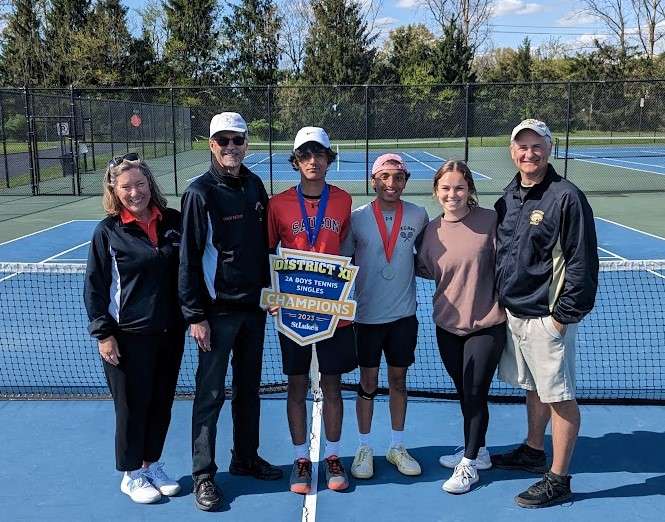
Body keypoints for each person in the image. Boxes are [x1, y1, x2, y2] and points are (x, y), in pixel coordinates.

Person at [492, 119, 599, 508]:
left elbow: (582, 262)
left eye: (537, 146)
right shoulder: (509, 196)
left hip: (546, 318)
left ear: (549, 150)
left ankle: (559, 478)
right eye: (522, 147)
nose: (529, 153)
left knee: (560, 396)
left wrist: (561, 318)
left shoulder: (566, 197)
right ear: (512, 152)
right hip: (515, 315)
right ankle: (534, 449)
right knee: (534, 387)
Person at [179, 112, 282, 512]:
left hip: (253, 309)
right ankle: (204, 475)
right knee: (209, 395)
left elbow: (265, 248)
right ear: (211, 145)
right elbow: (188, 259)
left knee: (248, 389)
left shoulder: (255, 186)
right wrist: (195, 315)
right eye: (222, 141)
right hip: (216, 314)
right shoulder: (198, 194)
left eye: (236, 140)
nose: (230, 148)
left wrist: (271, 293)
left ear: (246, 143)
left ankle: (245, 456)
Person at [84, 153, 184, 504]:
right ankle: (131, 474)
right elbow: (95, 288)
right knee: (131, 406)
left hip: (170, 334)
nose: (135, 192)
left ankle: (152, 464)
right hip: (126, 338)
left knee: (161, 404)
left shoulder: (173, 221)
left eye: (140, 184)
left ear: (150, 185)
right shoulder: (108, 232)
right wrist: (104, 333)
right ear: (114, 189)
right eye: (126, 186)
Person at [267, 126, 357, 494]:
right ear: (296, 161)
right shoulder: (278, 204)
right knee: (297, 384)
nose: (313, 161)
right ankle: (300, 459)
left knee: (333, 384)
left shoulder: (345, 201)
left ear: (328, 159)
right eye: (305, 155)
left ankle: (333, 456)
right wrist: (273, 298)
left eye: (319, 154)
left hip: (334, 310)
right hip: (293, 310)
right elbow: (267, 254)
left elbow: (348, 250)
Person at [416, 160, 506, 494]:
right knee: (463, 392)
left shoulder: (490, 221)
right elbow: (425, 269)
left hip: (486, 324)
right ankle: (479, 450)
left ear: (469, 190)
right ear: (437, 191)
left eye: (459, 187)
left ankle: (468, 465)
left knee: (474, 391)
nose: (452, 194)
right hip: (447, 326)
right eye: (446, 188)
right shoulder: (431, 231)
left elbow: (508, 263)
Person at [341, 153, 429, 480]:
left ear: (405, 181)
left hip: (403, 318)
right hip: (365, 319)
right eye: (385, 177)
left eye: (399, 177)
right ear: (374, 180)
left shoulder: (419, 216)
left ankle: (396, 446)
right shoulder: (358, 218)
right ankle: (364, 447)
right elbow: (341, 264)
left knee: (398, 382)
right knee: (367, 384)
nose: (392, 183)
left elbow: (431, 258)